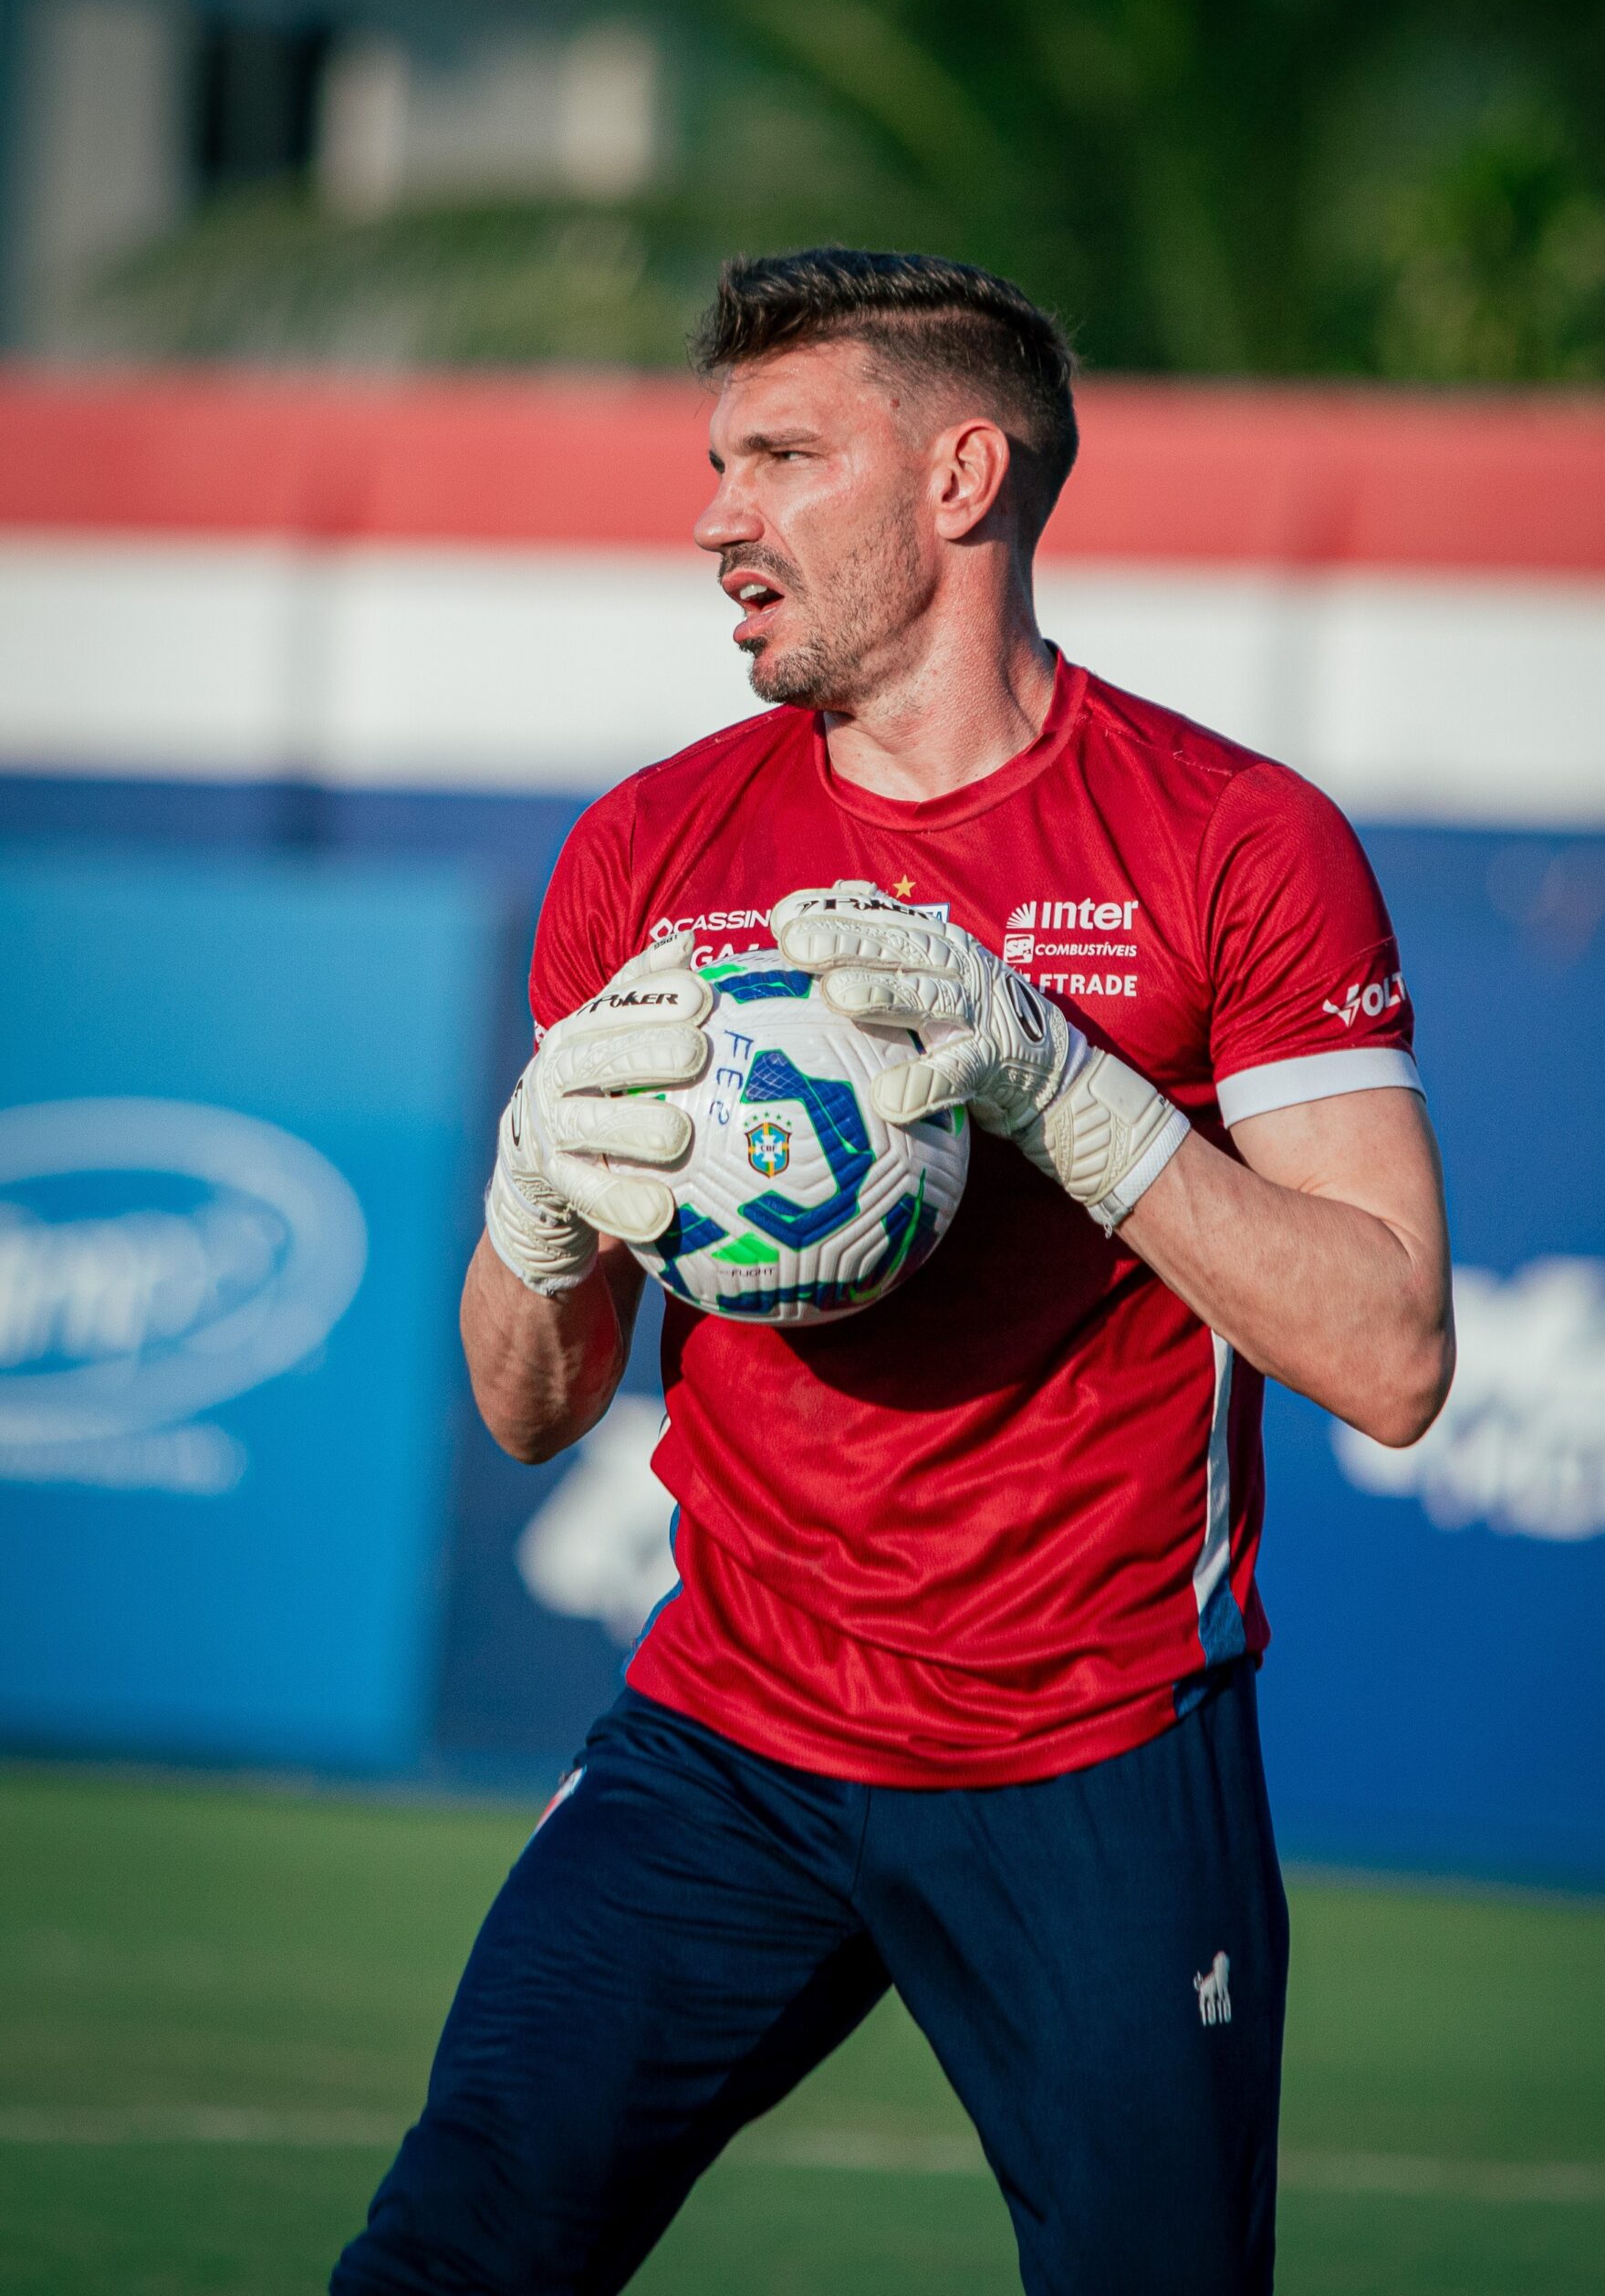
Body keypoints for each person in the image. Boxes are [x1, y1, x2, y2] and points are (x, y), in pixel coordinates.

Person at [332, 247, 1454, 2296]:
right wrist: (534, 1201)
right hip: (726, 1733)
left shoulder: (1234, 839)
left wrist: (1059, 1080)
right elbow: (529, 1400)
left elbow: (1387, 1354)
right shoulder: (649, 849)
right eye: (712, 460)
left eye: (779, 456)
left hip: (1095, 1749)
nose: (714, 518)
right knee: (449, 2254)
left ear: (959, 476)